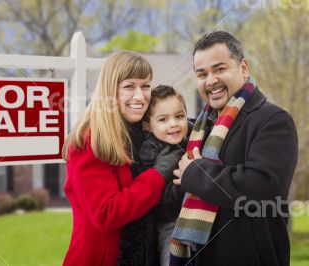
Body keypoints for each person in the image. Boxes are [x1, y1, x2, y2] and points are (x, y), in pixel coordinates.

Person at [170, 31, 298, 266]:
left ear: (243, 67)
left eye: (220, 69)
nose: (210, 81)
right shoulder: (198, 128)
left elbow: (264, 185)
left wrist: (195, 173)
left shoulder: (273, 120)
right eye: (202, 74)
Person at [62, 50, 180, 266]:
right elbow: (106, 214)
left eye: (145, 86)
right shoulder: (90, 140)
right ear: (110, 90)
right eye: (129, 86)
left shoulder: (141, 134)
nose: (140, 95)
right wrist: (159, 173)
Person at [118, 85, 192, 266]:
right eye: (163, 119)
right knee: (172, 258)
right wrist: (186, 185)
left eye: (179, 116)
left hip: (195, 214)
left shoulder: (192, 135)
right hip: (169, 220)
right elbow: (155, 196)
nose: (173, 123)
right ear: (148, 126)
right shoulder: (149, 151)